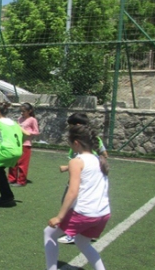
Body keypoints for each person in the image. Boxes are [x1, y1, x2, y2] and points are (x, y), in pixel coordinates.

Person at [44, 125, 110, 270]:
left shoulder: (76, 161)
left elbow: (73, 192)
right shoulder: (97, 159)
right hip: (103, 213)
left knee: (49, 233)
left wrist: (59, 217)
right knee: (82, 242)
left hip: (84, 213)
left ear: (76, 143)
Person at [58, 112, 108, 244]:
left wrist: (68, 167)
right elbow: (104, 155)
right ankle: (87, 231)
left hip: (82, 177)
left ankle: (71, 233)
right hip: (87, 176)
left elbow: (83, 161)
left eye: (71, 126)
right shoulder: (93, 140)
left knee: (70, 201)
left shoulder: (83, 144)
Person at [8, 102, 40, 187]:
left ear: (29, 111)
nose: (22, 113)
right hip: (17, 143)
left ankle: (21, 181)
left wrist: (28, 133)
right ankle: (12, 179)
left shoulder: (32, 120)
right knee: (13, 162)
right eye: (21, 111)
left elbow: (36, 132)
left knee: (22, 163)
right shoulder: (19, 119)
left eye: (24, 111)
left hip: (26, 144)